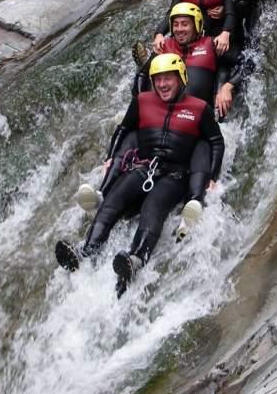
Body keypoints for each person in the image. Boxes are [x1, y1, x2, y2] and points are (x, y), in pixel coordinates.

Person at [55, 53, 225, 296]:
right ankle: (87, 252)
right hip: (144, 166)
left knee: (153, 208)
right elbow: (123, 130)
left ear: (181, 78)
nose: (163, 84)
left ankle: (136, 259)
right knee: (112, 201)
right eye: (158, 80)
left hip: (174, 175)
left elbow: (216, 142)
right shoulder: (142, 101)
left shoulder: (199, 109)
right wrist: (110, 156)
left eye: (168, 79)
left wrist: (213, 175)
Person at [136, 2, 243, 118]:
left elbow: (249, 61)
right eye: (175, 25)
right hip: (161, 113)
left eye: (185, 24)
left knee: (224, 70)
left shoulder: (212, 45)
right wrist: (140, 102)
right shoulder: (163, 46)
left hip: (194, 116)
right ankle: (144, 62)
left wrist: (228, 86)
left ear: (196, 25)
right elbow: (142, 75)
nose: (179, 29)